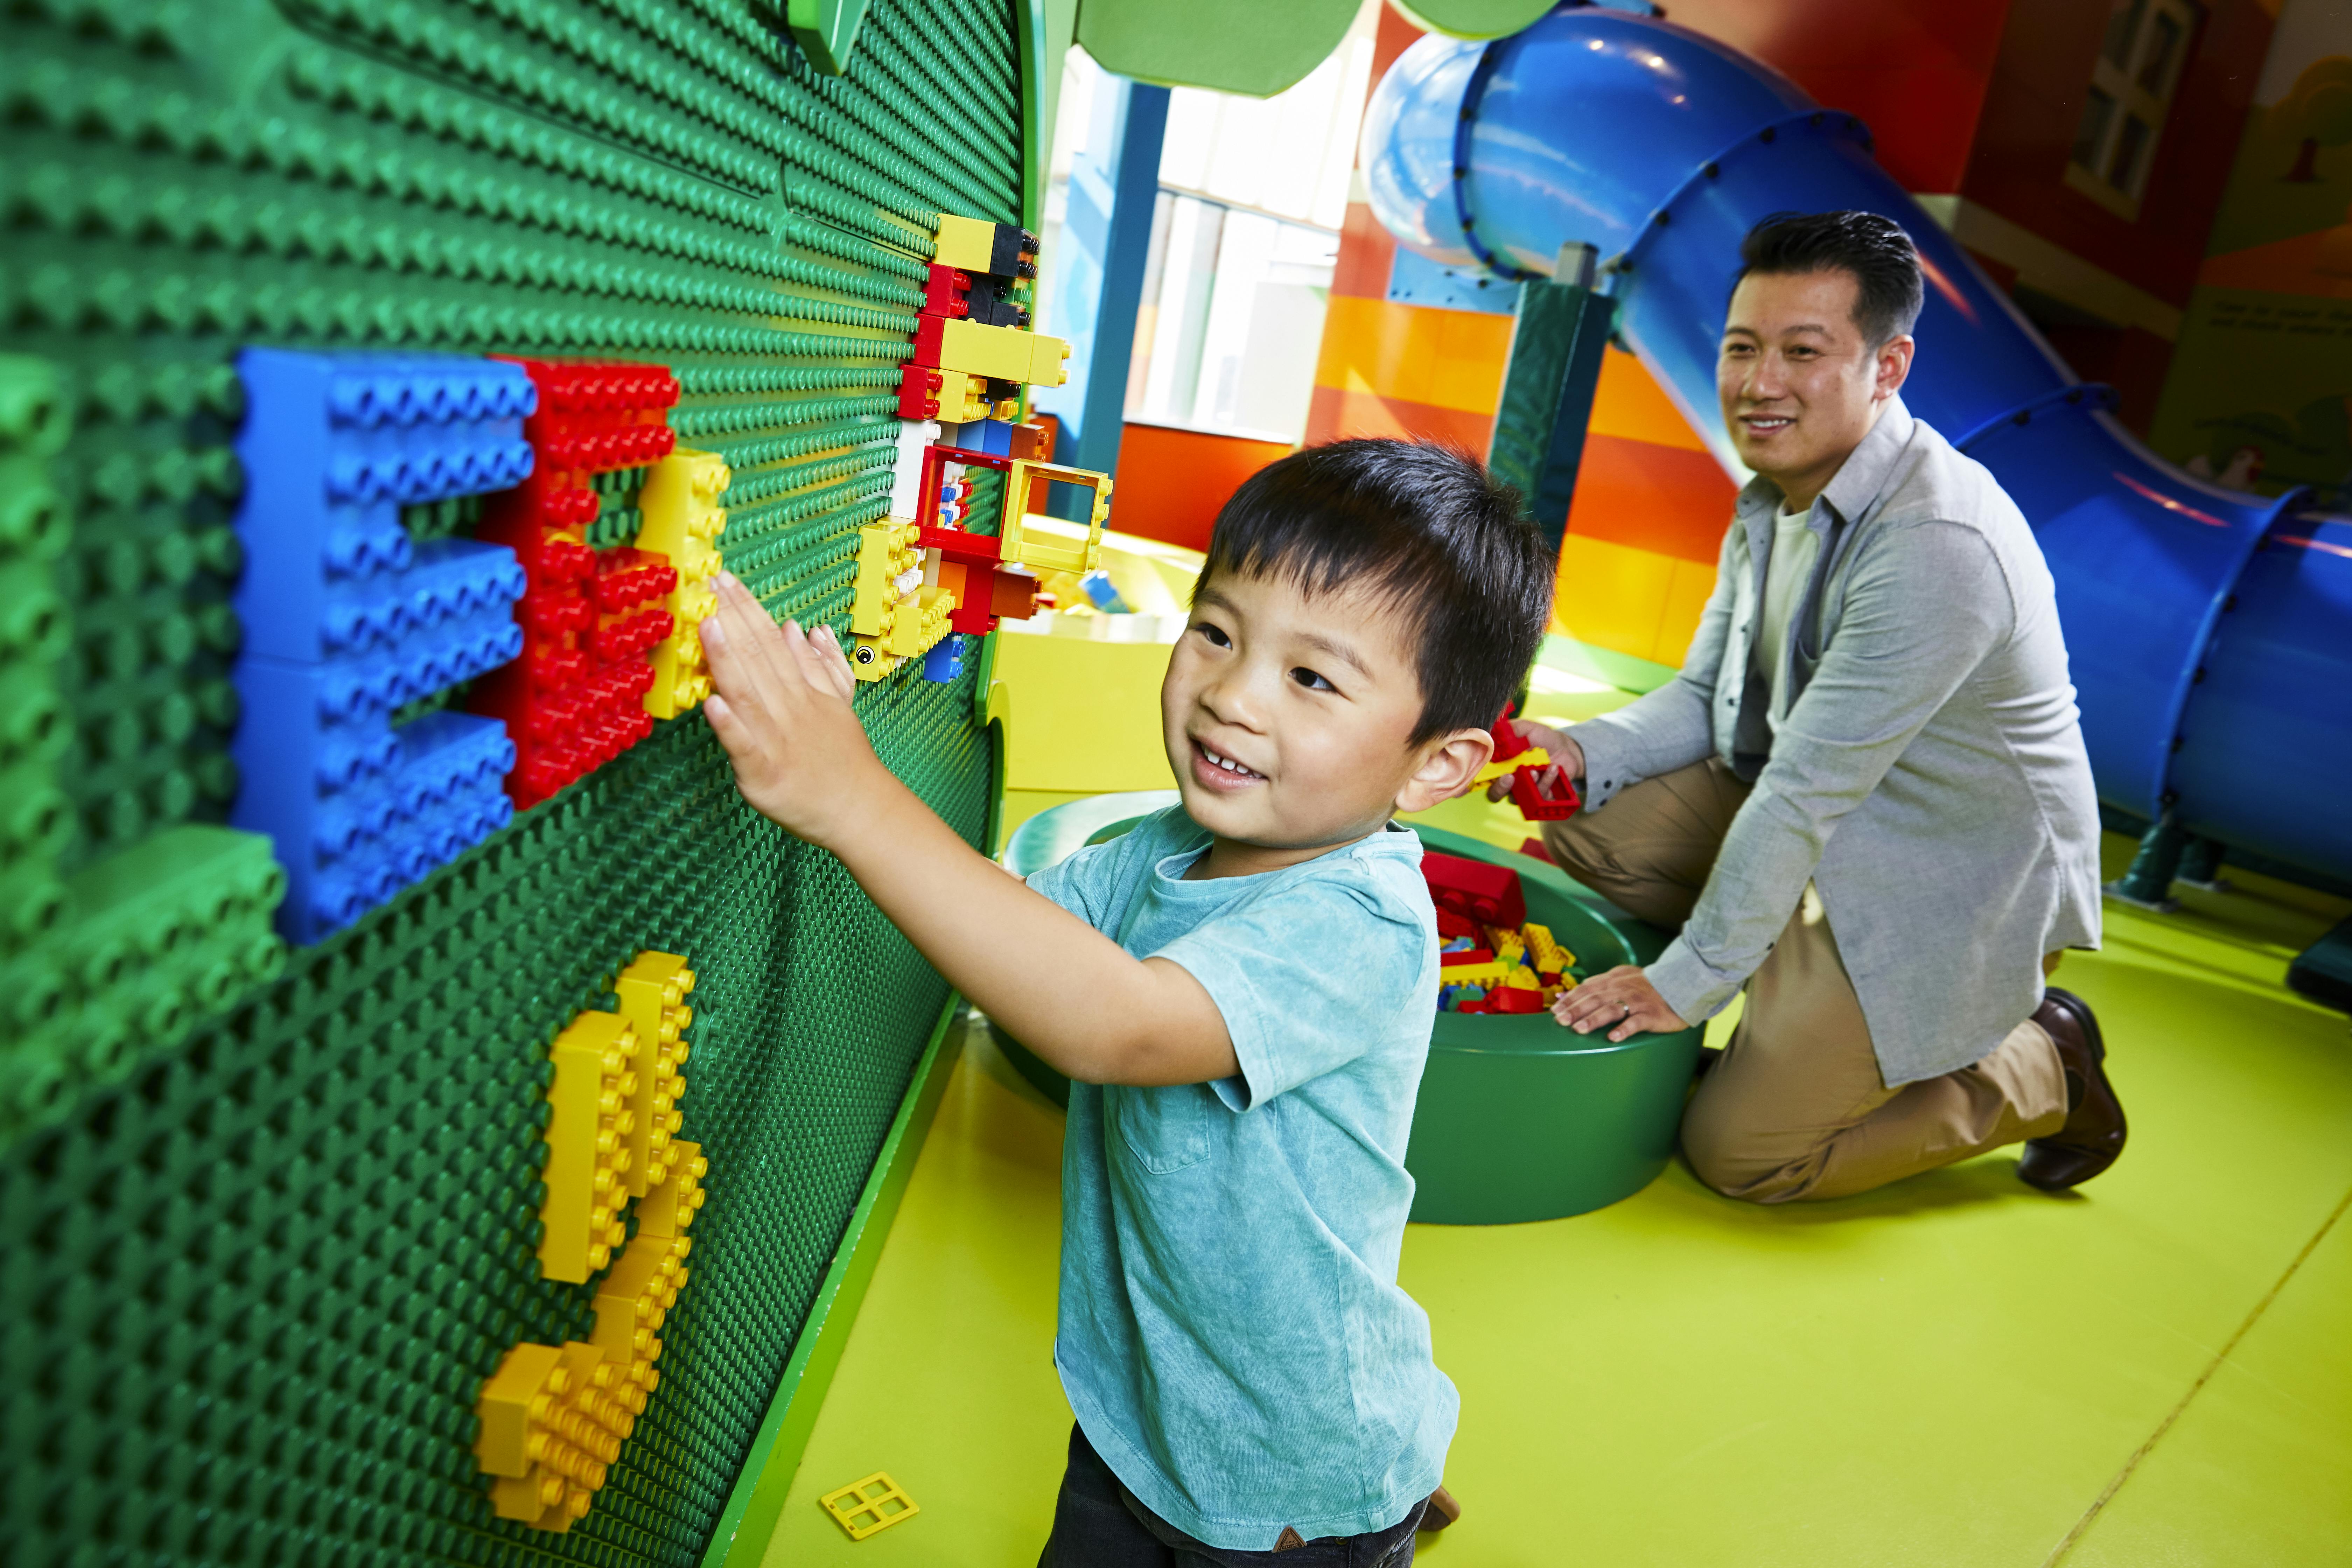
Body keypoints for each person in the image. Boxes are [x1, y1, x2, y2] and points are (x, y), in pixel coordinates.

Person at [699, 440, 1554, 1562]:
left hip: (1285, 1480)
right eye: (1216, 630)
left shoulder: (1364, 923)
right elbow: (1009, 933)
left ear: (1435, 768)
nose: (1232, 696)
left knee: (1328, 1479)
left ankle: (1380, 1477)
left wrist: (850, 794)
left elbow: (1118, 1023)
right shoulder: (1163, 850)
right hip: (1140, 1407)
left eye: (1312, 678)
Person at [1514, 210, 2126, 1203]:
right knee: (1593, 833)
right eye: (1743, 348)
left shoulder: (1937, 541)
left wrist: (1686, 984)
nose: (1761, 383)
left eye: (1805, 352)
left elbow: (1803, 792)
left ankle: (2043, 1064)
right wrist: (1582, 753)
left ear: (1888, 368)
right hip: (1834, 813)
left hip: (1948, 875)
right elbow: (1712, 696)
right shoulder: (1772, 494)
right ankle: (1798, 1014)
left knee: (1744, 1154)